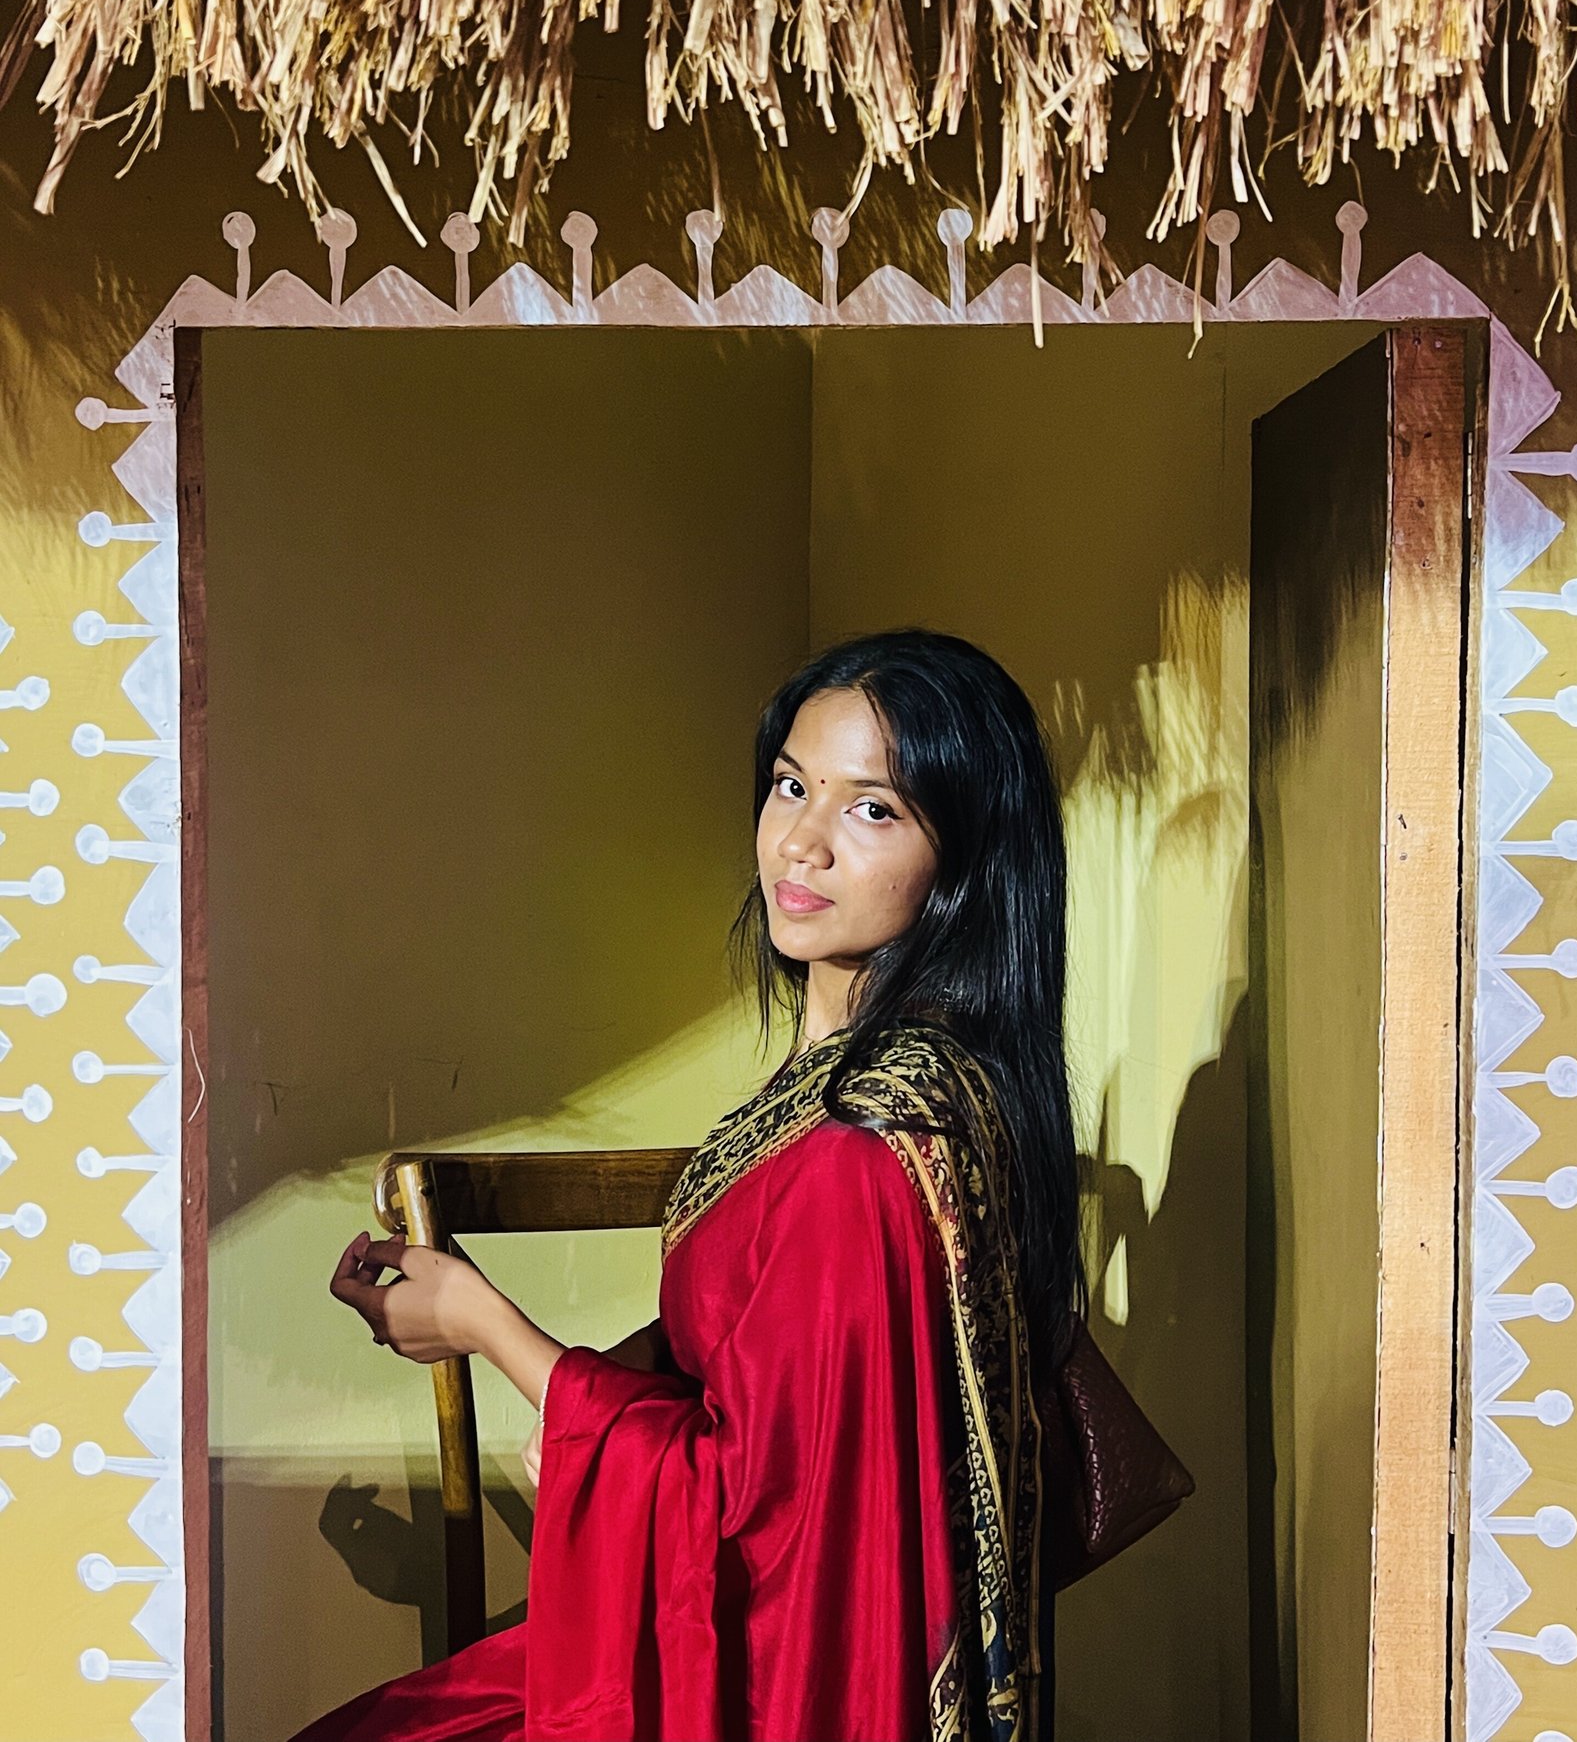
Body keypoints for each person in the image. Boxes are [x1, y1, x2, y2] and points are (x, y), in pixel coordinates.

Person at [295, 628, 1086, 1742]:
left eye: (872, 809)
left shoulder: (861, 1155)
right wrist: (592, 1387)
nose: (801, 842)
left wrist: (490, 1331)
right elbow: (760, 1363)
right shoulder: (892, 1084)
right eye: (791, 786)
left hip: (763, 1687)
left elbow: (759, 1527)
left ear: (963, 859)